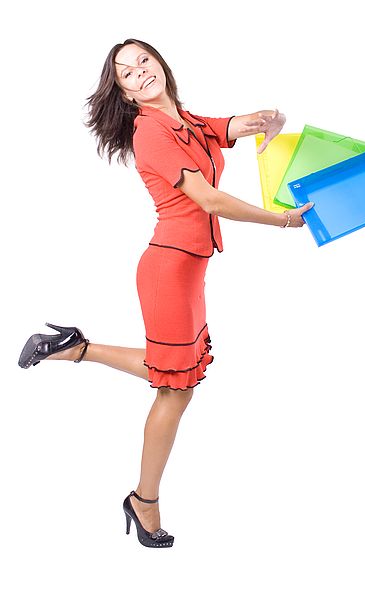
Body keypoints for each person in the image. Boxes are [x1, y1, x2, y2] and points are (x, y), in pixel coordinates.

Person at [17, 38, 313, 548]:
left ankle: (74, 348)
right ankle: (143, 501)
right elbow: (210, 199)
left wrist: (268, 118)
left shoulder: (181, 118)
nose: (138, 72)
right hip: (168, 273)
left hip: (186, 271)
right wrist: (282, 220)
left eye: (143, 61)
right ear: (126, 94)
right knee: (175, 387)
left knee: (176, 369)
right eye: (126, 73)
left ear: (160, 64)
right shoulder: (150, 133)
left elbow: (229, 126)